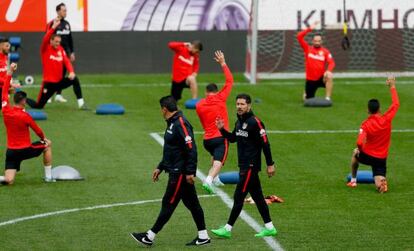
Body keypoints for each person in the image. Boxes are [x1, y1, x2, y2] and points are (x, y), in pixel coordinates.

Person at [130, 96, 210, 247]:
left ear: (164, 109)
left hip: (179, 173)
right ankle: (203, 236)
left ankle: (149, 236)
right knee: (193, 204)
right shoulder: (172, 123)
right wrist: (160, 167)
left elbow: (191, 149)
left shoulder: (180, 123)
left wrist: (190, 172)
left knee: (168, 203)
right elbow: (172, 150)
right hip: (175, 169)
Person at [212, 93, 277, 238]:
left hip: (251, 166)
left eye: (242, 104)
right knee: (259, 198)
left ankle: (227, 229)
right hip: (244, 165)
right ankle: (270, 227)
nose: (239, 107)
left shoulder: (256, 122)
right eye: (237, 104)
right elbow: (234, 138)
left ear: (249, 105)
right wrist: (222, 129)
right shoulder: (239, 121)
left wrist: (270, 164)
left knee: (238, 196)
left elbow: (265, 144)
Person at [0, 63, 54, 185]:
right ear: (24, 101)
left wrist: (9, 72)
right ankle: (49, 177)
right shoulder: (25, 116)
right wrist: (44, 139)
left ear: (13, 100)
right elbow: (38, 131)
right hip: (25, 150)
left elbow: (4, 90)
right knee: (47, 146)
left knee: (9, 180)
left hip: (11, 152)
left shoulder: (5, 110)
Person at [347, 76, 399, 193]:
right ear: (379, 109)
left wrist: (360, 150)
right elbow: (396, 104)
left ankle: (353, 181)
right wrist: (392, 86)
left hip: (367, 155)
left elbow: (359, 142)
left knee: (355, 154)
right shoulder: (387, 119)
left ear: (368, 110)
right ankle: (381, 183)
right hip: (381, 158)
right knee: (379, 176)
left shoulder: (365, 124)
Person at [26, 18, 88, 110]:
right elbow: (45, 38)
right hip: (48, 84)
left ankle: (81, 103)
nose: (58, 44)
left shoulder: (60, 49)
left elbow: (66, 61)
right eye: (56, 42)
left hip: (59, 82)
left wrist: (71, 71)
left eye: (59, 42)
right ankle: (23, 98)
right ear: (51, 41)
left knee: (75, 79)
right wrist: (53, 27)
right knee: (38, 106)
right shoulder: (45, 49)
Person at [195, 50, 233, 194]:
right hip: (220, 137)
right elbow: (229, 81)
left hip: (207, 140)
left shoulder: (199, 105)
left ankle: (216, 179)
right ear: (216, 91)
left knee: (215, 156)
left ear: (206, 93)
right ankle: (209, 180)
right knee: (219, 161)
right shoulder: (221, 97)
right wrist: (223, 63)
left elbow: (204, 123)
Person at [297, 21, 335, 100]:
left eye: (319, 41)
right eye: (315, 41)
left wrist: (328, 70)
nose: (317, 42)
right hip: (310, 79)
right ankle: (306, 92)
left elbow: (331, 62)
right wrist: (309, 29)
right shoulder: (307, 49)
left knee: (330, 76)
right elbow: (299, 36)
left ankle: (327, 98)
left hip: (321, 78)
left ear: (321, 41)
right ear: (312, 41)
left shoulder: (325, 51)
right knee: (307, 99)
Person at [46, 2, 76, 103]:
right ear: (58, 11)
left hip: (65, 54)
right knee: (52, 74)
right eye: (63, 10)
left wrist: (72, 52)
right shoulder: (52, 23)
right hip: (54, 54)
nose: (65, 12)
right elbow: (47, 38)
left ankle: (58, 95)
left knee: (61, 75)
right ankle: (48, 95)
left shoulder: (67, 24)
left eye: (66, 10)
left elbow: (70, 38)